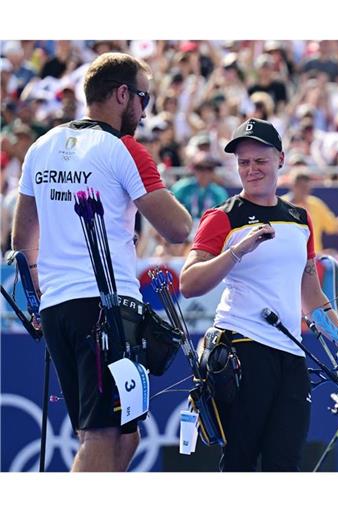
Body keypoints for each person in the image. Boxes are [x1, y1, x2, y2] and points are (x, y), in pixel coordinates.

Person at [11, 52, 193, 471]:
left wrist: (39, 298)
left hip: (59, 307)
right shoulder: (123, 149)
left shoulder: (42, 146)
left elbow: (23, 240)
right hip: (104, 310)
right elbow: (178, 228)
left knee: (125, 436)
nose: (145, 111)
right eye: (143, 99)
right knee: (103, 434)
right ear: (122, 94)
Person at [178, 118, 338, 472]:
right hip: (241, 350)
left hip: (290, 356)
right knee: (240, 463)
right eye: (243, 162)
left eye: (260, 161)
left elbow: (310, 293)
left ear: (280, 159)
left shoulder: (299, 218)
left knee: (286, 465)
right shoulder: (222, 217)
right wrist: (237, 251)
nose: (251, 170)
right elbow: (189, 283)